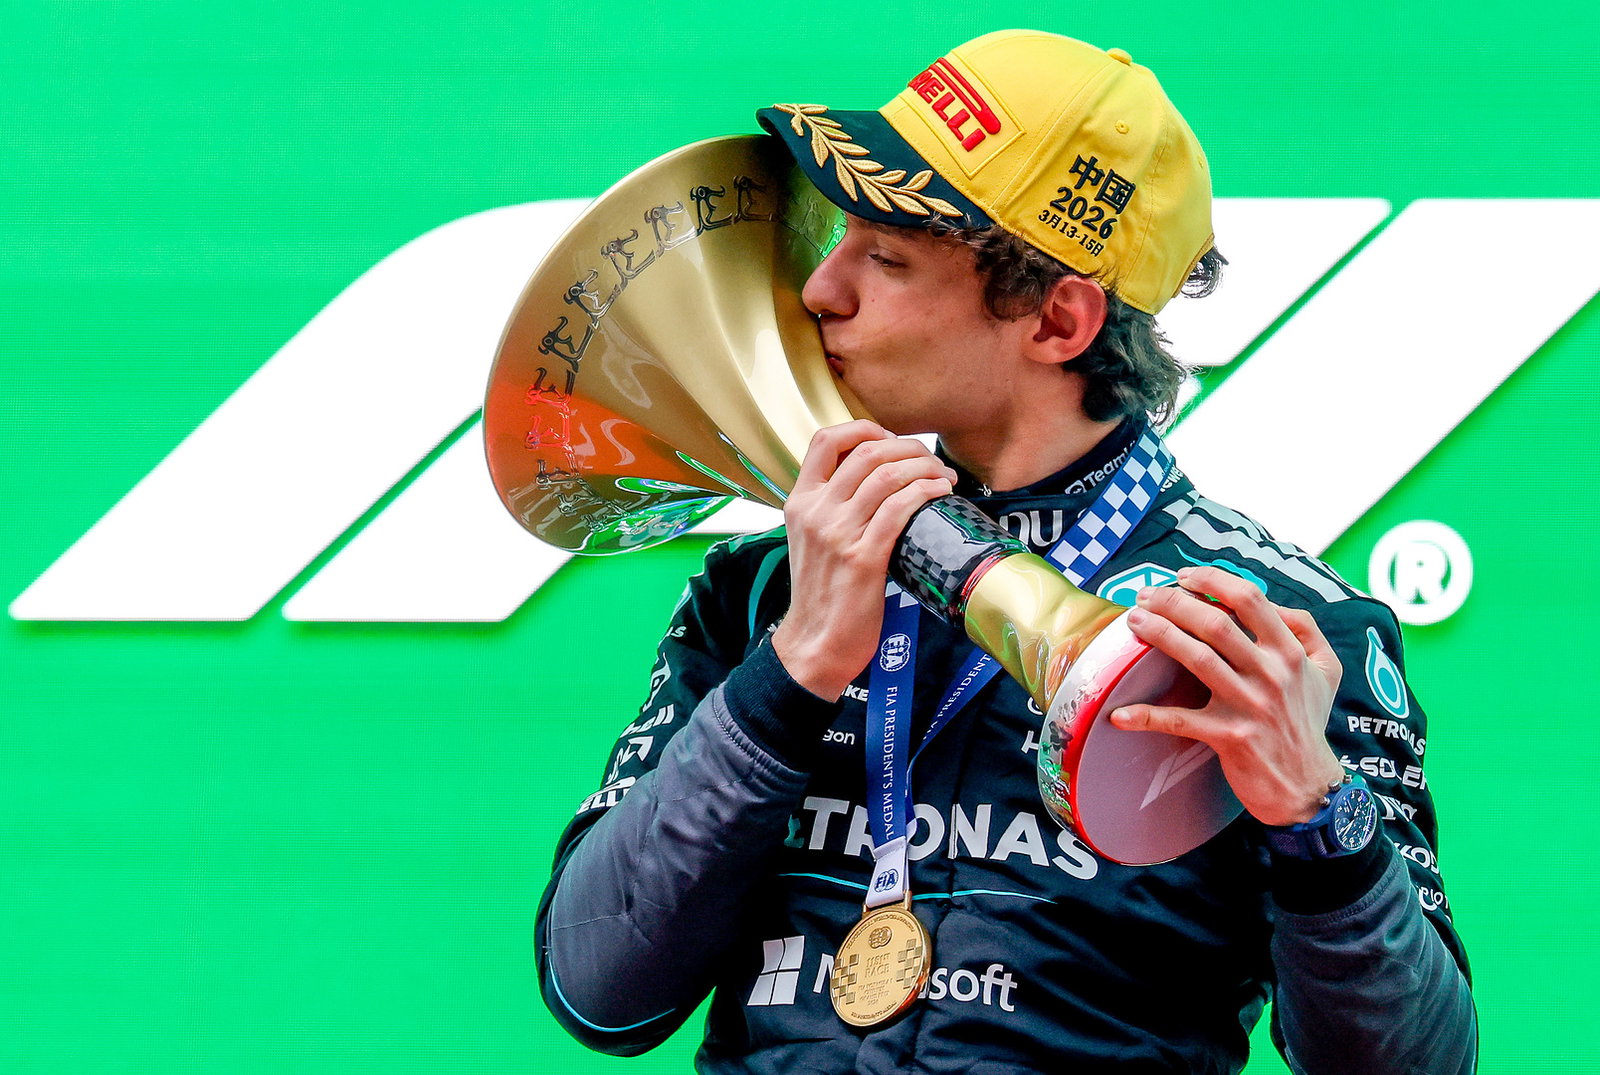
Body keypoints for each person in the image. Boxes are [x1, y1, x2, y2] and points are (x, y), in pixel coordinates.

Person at [535, 29, 1476, 1074]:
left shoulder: (1280, 631)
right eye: (838, 240)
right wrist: (794, 667)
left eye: (886, 258)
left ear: (1057, 319)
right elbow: (599, 988)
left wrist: (1315, 814)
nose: (820, 290)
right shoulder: (763, 590)